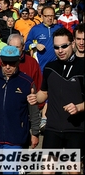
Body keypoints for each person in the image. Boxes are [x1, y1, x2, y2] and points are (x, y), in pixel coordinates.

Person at [27, 27, 84, 165]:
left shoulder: (82, 66)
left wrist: (78, 107)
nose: (60, 50)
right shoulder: (49, 67)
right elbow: (44, 93)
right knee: (48, 168)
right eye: (57, 47)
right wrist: (35, 98)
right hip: (52, 127)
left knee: (72, 169)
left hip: (75, 127)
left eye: (64, 46)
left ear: (72, 44)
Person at [25, 6, 62, 71]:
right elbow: (26, 45)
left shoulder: (59, 29)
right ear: (42, 16)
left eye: (52, 15)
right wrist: (35, 45)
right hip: (40, 66)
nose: (50, 18)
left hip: (57, 66)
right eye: (47, 16)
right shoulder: (35, 29)